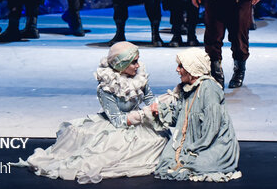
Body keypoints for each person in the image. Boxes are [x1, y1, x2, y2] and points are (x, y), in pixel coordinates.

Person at [14, 42, 167, 184]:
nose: (138, 65)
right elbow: (118, 121)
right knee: (107, 150)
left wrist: (157, 108)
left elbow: (149, 99)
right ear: (121, 64)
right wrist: (142, 115)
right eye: (133, 62)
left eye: (138, 60)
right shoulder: (107, 88)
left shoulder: (140, 78)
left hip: (138, 121)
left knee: (159, 140)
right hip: (120, 124)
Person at [152, 47, 241, 182]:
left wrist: (192, 149)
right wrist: (161, 111)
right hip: (189, 142)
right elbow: (178, 118)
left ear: (192, 69)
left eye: (181, 66)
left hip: (212, 143)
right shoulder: (185, 88)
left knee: (199, 164)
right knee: (167, 160)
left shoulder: (209, 89)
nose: (177, 70)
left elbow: (212, 129)